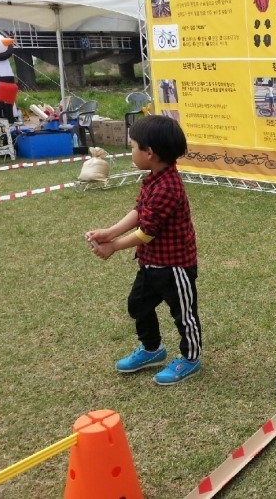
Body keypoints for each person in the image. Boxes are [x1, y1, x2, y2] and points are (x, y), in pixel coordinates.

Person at [85, 115, 202, 385]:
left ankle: (191, 358)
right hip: (150, 263)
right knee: (138, 305)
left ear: (149, 153)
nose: (131, 152)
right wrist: (110, 232)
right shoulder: (153, 179)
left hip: (175, 267)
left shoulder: (168, 187)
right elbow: (139, 211)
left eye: (133, 146)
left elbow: (147, 232)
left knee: (184, 315)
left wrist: (114, 246)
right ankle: (152, 349)